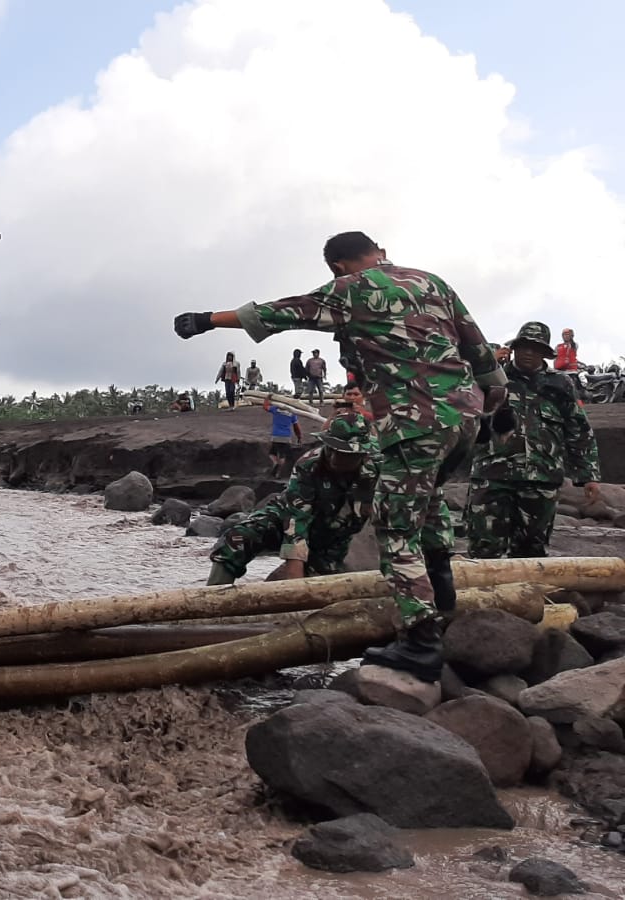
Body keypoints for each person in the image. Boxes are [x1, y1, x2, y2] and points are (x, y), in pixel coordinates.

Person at [174, 230, 506, 684]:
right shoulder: (432, 282)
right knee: (428, 504)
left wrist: (207, 320)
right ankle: (443, 601)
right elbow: (480, 352)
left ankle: (420, 640)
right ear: (379, 251)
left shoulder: (350, 288)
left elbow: (281, 312)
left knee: (397, 528)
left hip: (413, 420)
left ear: (337, 266)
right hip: (464, 416)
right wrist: (496, 405)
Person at [466, 322, 601, 559]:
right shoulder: (493, 377)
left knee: (532, 553)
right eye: (523, 347)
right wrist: (487, 365)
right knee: (484, 551)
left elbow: (578, 429)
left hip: (541, 479)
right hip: (492, 477)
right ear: (514, 349)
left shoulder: (560, 384)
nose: (528, 352)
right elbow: (456, 384)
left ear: (544, 353)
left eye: (536, 348)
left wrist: (588, 475)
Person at [209, 412, 379, 586]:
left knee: (322, 583)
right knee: (237, 538)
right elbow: (296, 524)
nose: (334, 458)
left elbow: (393, 517)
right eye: (331, 449)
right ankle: (213, 596)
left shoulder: (380, 468)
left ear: (363, 454)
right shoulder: (309, 465)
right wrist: (294, 587)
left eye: (344, 454)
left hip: (333, 536)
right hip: (288, 516)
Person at [264, 398, 303, 479]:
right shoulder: (292, 413)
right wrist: (299, 437)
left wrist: (267, 399)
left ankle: (275, 463)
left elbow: (265, 407)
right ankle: (278, 473)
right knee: (282, 455)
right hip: (286, 437)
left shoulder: (275, 409)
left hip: (275, 436)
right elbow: (296, 427)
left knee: (272, 453)